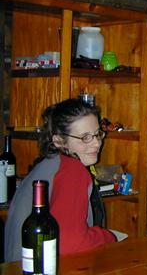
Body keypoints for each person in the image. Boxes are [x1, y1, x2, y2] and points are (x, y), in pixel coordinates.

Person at [4, 98, 119, 262]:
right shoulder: (73, 170)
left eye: (98, 134)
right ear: (58, 141)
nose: (96, 144)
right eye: (85, 137)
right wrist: (107, 236)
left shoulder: (48, 164)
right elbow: (70, 243)